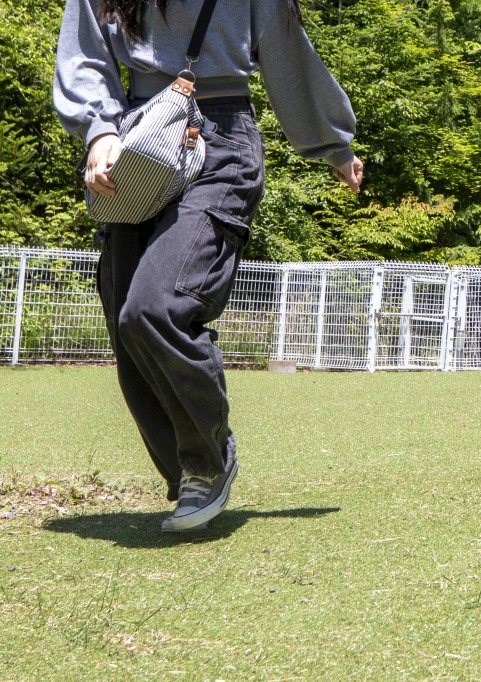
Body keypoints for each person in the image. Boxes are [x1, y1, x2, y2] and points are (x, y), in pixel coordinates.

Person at [53, 0, 363, 532]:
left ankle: (207, 460)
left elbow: (291, 57)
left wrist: (332, 144)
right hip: (139, 137)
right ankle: (189, 474)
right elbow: (84, 56)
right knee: (125, 323)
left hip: (222, 143)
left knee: (155, 307)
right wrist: (99, 131)